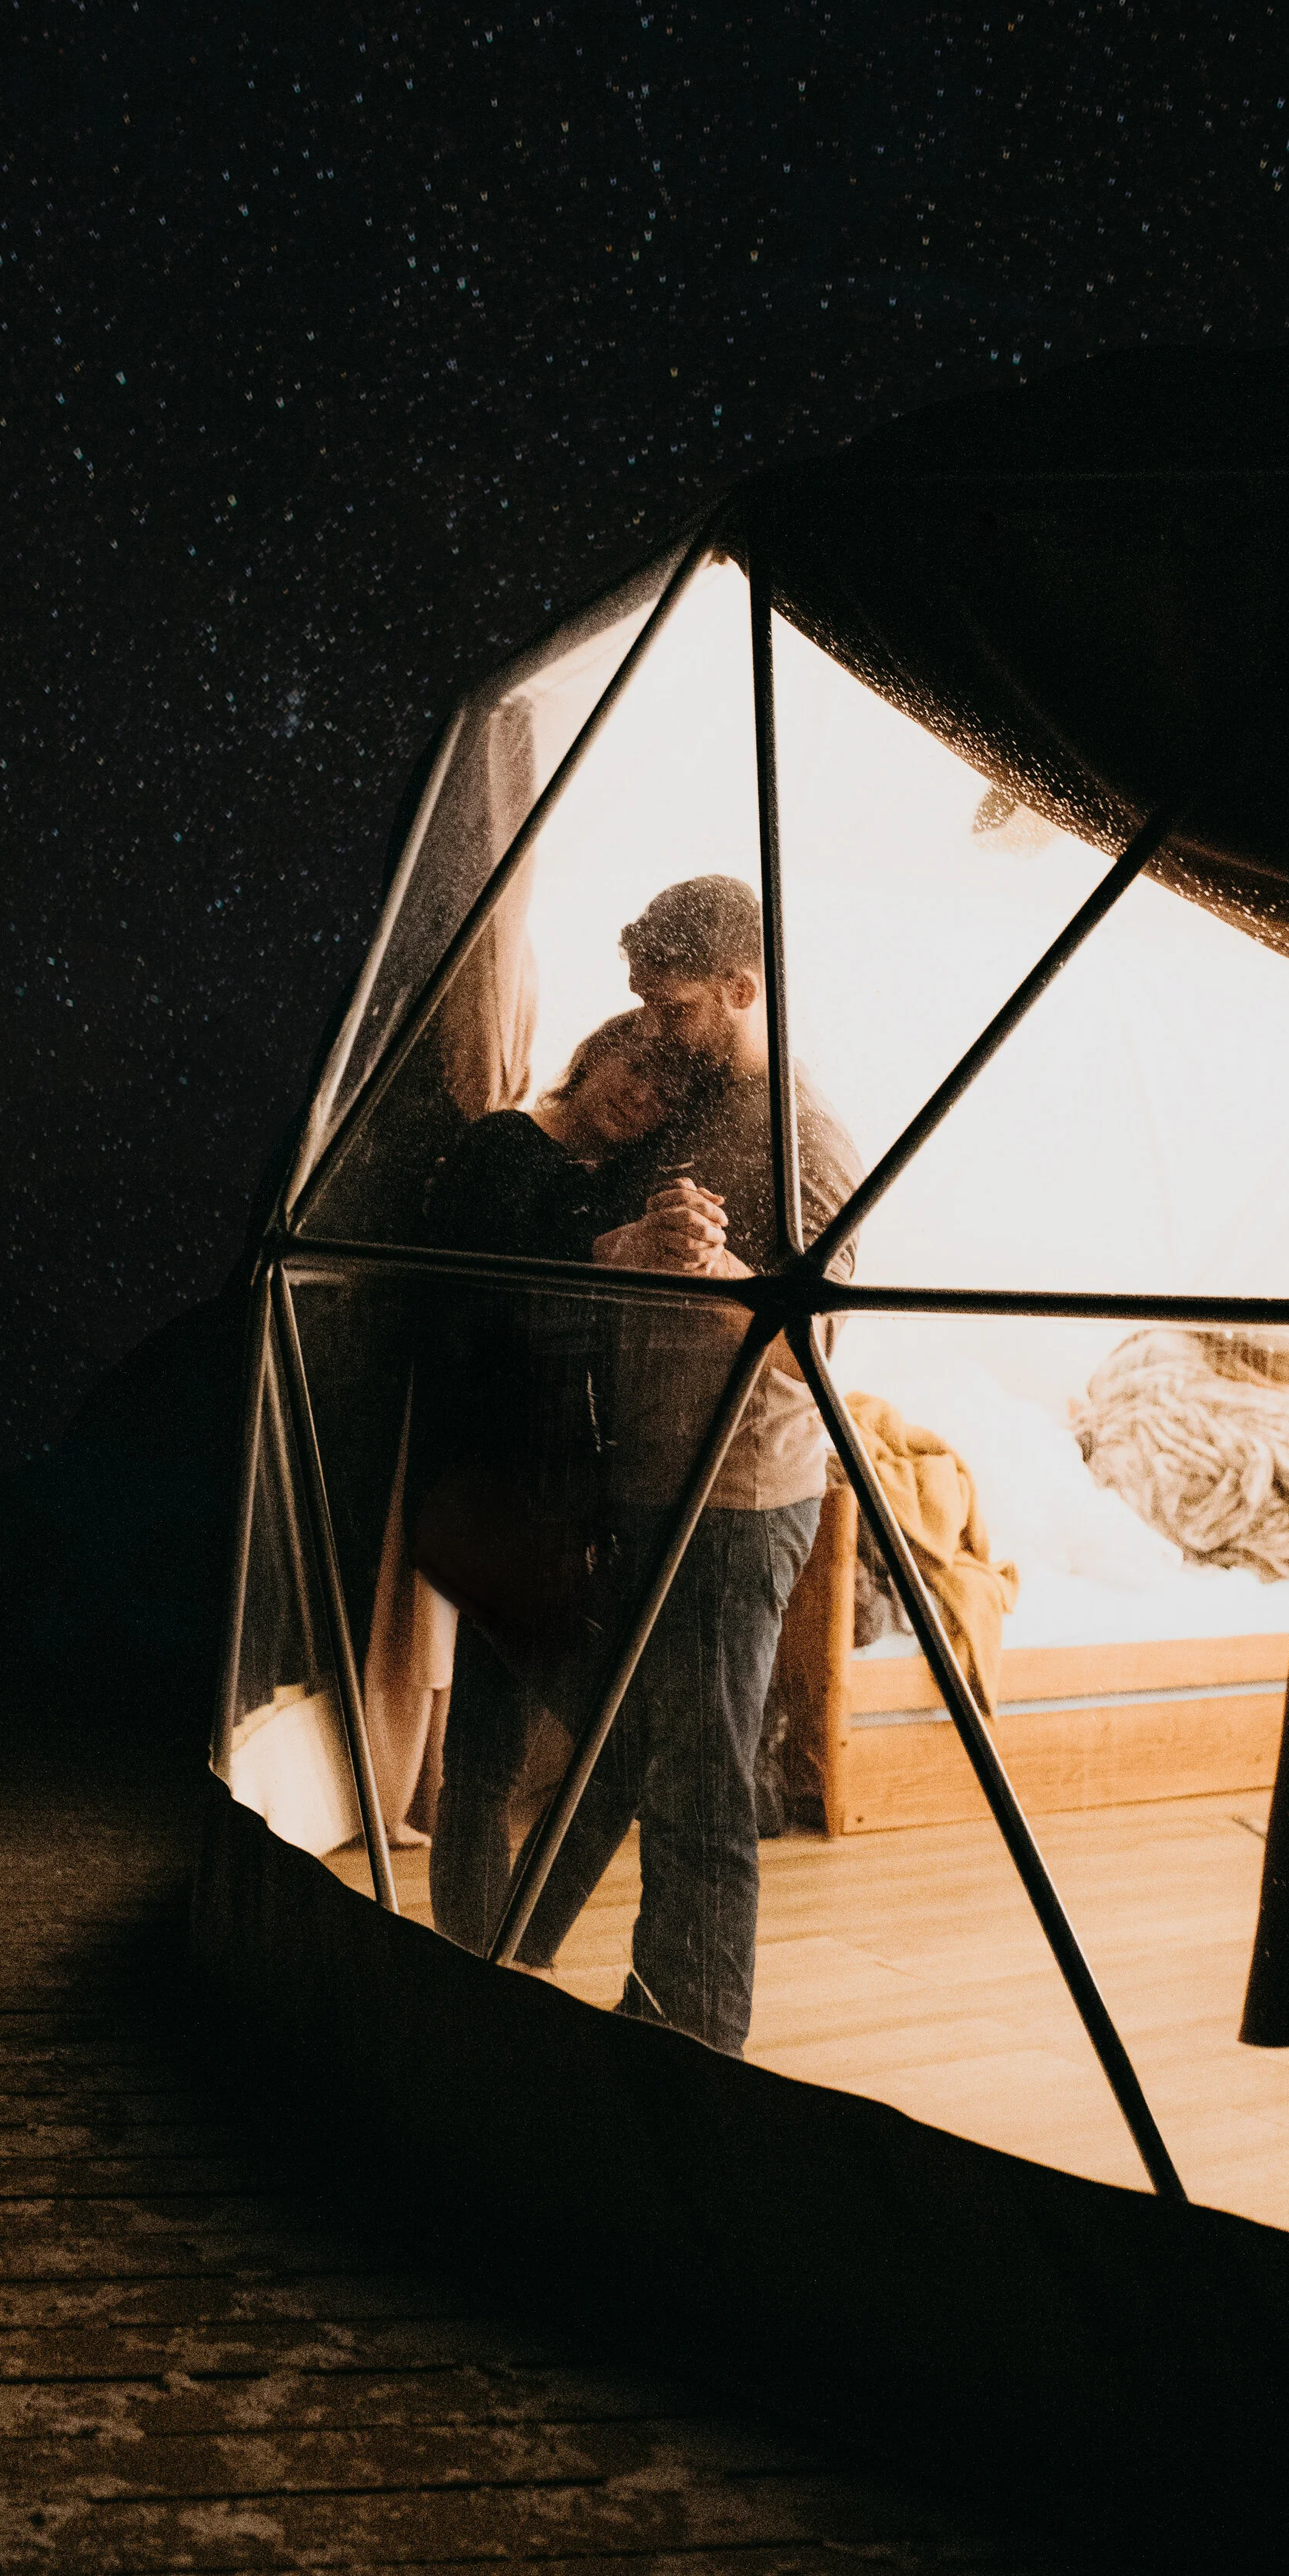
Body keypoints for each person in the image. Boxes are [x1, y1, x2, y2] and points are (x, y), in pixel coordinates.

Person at [518, 875, 864, 2056]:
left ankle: (690, 2041)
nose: (653, 1031)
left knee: (701, 1793)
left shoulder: (807, 1137)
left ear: (740, 988)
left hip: (738, 1500)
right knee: (611, 1749)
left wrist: (710, 1280)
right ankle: (511, 1948)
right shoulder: (692, 1106)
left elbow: (811, 1345)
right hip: (655, 1487)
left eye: (670, 1008)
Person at [415, 1012, 691, 1954]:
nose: (641, 1095)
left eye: (665, 1092)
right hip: (484, 1488)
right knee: (579, 1746)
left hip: (558, 1498)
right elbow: (484, 1300)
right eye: (635, 1066)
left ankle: (488, 1953)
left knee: (488, 1751)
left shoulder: (615, 1185)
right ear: (595, 1051)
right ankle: (502, 1948)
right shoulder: (501, 1147)